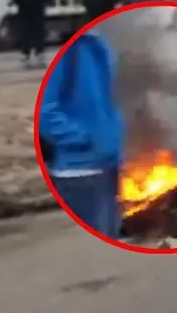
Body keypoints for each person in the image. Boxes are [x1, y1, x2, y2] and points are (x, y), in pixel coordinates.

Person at [38, 30, 125, 239]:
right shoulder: (74, 50)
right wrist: (83, 139)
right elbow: (45, 112)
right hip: (80, 172)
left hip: (108, 168)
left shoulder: (103, 44)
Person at [8, 0, 54, 68]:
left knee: (39, 33)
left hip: (37, 11)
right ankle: (26, 54)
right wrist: (18, 1)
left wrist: (45, 1)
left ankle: (40, 55)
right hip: (24, 11)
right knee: (25, 33)